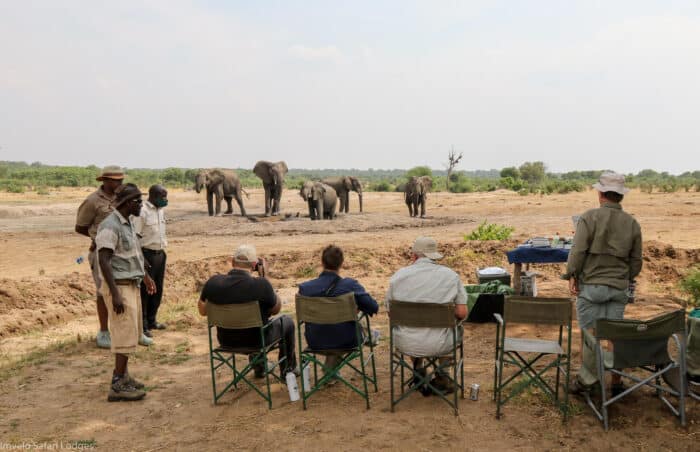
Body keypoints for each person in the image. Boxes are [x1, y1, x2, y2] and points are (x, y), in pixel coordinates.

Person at [564, 172, 642, 396]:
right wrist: (624, 278)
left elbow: (577, 252)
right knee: (614, 334)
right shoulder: (632, 223)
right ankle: (616, 381)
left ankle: (587, 381)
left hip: (591, 287)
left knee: (589, 334)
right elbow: (636, 262)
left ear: (600, 194)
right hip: (618, 288)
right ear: (621, 197)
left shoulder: (589, 217)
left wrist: (572, 275)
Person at [96, 183, 157, 401]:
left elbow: (133, 254)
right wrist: (115, 294)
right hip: (119, 287)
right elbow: (103, 260)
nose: (142, 205)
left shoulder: (128, 223)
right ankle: (117, 384)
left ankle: (124, 376)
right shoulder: (110, 225)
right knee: (123, 334)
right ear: (128, 202)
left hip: (131, 284)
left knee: (131, 334)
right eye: (139, 201)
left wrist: (146, 277)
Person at [198, 244, 297, 377]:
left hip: (226, 340)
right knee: (287, 322)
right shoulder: (261, 285)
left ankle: (260, 367)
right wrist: (265, 278)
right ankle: (287, 369)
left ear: (232, 262)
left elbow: (203, 311)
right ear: (255, 265)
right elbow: (276, 309)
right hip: (256, 341)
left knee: (257, 322)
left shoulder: (213, 283)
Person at [385, 236, 468, 394]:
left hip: (406, 343)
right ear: (434, 256)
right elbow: (461, 313)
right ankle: (443, 377)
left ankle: (418, 368)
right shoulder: (451, 276)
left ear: (414, 256)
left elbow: (391, 313)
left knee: (413, 328)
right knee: (448, 327)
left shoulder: (397, 277)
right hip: (441, 344)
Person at [298, 245, 379, 374]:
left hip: (315, 341)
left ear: (322, 262)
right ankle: (371, 336)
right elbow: (373, 307)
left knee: (335, 328)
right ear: (341, 263)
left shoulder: (305, 288)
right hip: (346, 340)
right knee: (348, 327)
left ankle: (330, 372)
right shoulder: (350, 285)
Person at [75, 165, 123, 349]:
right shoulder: (93, 201)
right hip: (101, 252)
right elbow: (80, 227)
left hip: (121, 251)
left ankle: (122, 328)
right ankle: (104, 331)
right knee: (103, 291)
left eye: (121, 179)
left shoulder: (122, 197)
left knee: (123, 289)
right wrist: (99, 238)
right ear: (105, 180)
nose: (119, 183)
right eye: (115, 180)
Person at [133, 184, 168, 338]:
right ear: (153, 196)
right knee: (145, 291)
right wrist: (141, 259)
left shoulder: (161, 211)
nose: (165, 199)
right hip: (147, 255)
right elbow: (135, 237)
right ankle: (143, 325)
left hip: (160, 254)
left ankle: (153, 320)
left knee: (158, 289)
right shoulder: (142, 212)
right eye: (163, 196)